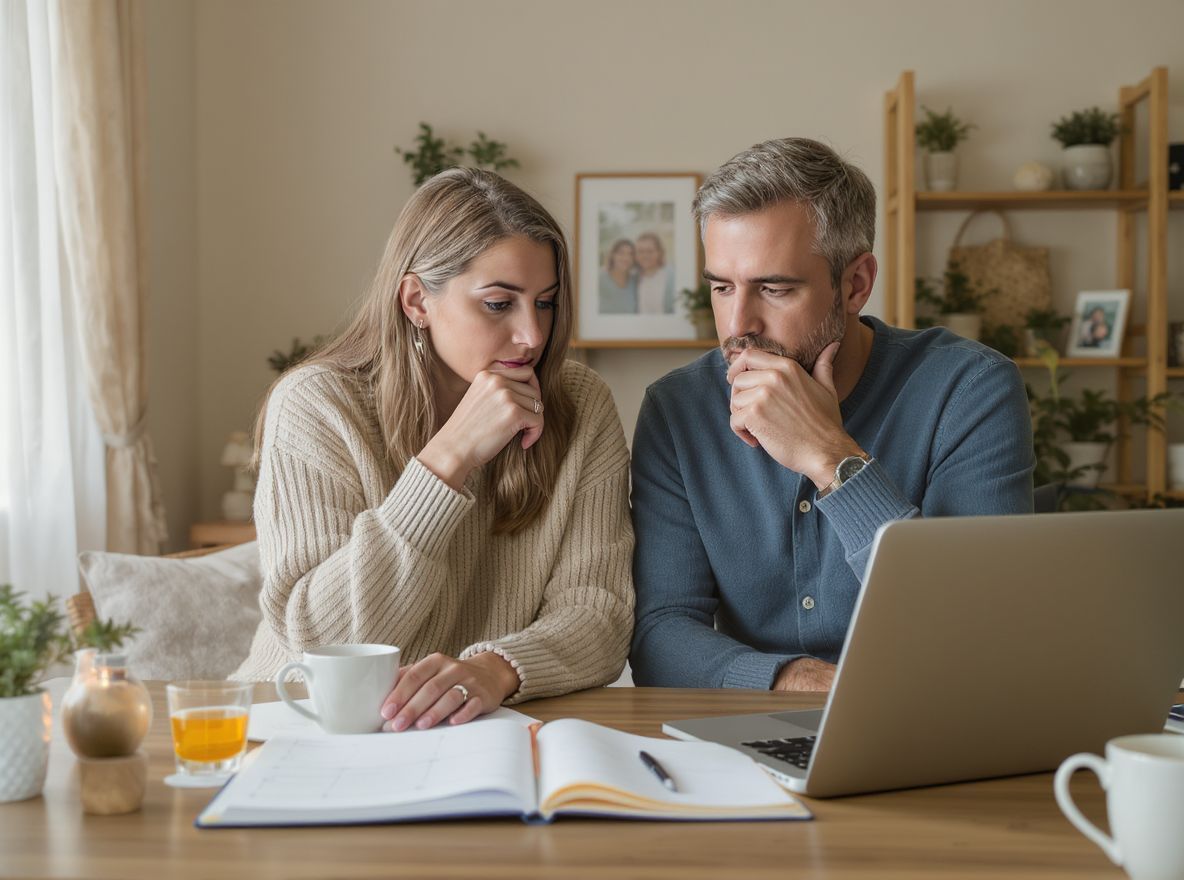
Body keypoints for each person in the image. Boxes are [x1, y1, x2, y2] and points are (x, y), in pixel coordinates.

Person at [233, 168, 635, 732]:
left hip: (482, 728)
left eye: (544, 303)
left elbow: (601, 614)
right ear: (417, 300)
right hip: (308, 725)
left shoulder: (579, 403)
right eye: (499, 303)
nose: (532, 335)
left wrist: (495, 670)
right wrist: (448, 460)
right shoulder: (316, 405)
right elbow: (323, 641)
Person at [629, 138, 1034, 693]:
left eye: (774, 288)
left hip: (934, 719)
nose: (737, 324)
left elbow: (979, 629)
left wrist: (831, 458)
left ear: (855, 284)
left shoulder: (968, 390)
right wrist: (797, 680)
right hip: (747, 728)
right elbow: (660, 634)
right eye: (722, 287)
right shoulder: (678, 410)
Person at [635, 232, 675, 315]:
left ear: (659, 252)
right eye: (640, 251)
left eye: (650, 251)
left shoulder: (671, 276)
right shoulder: (634, 277)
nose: (645, 255)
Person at [599, 238, 638, 313]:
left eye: (630, 254)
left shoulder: (635, 280)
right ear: (613, 255)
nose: (626, 258)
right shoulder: (600, 278)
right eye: (621, 253)